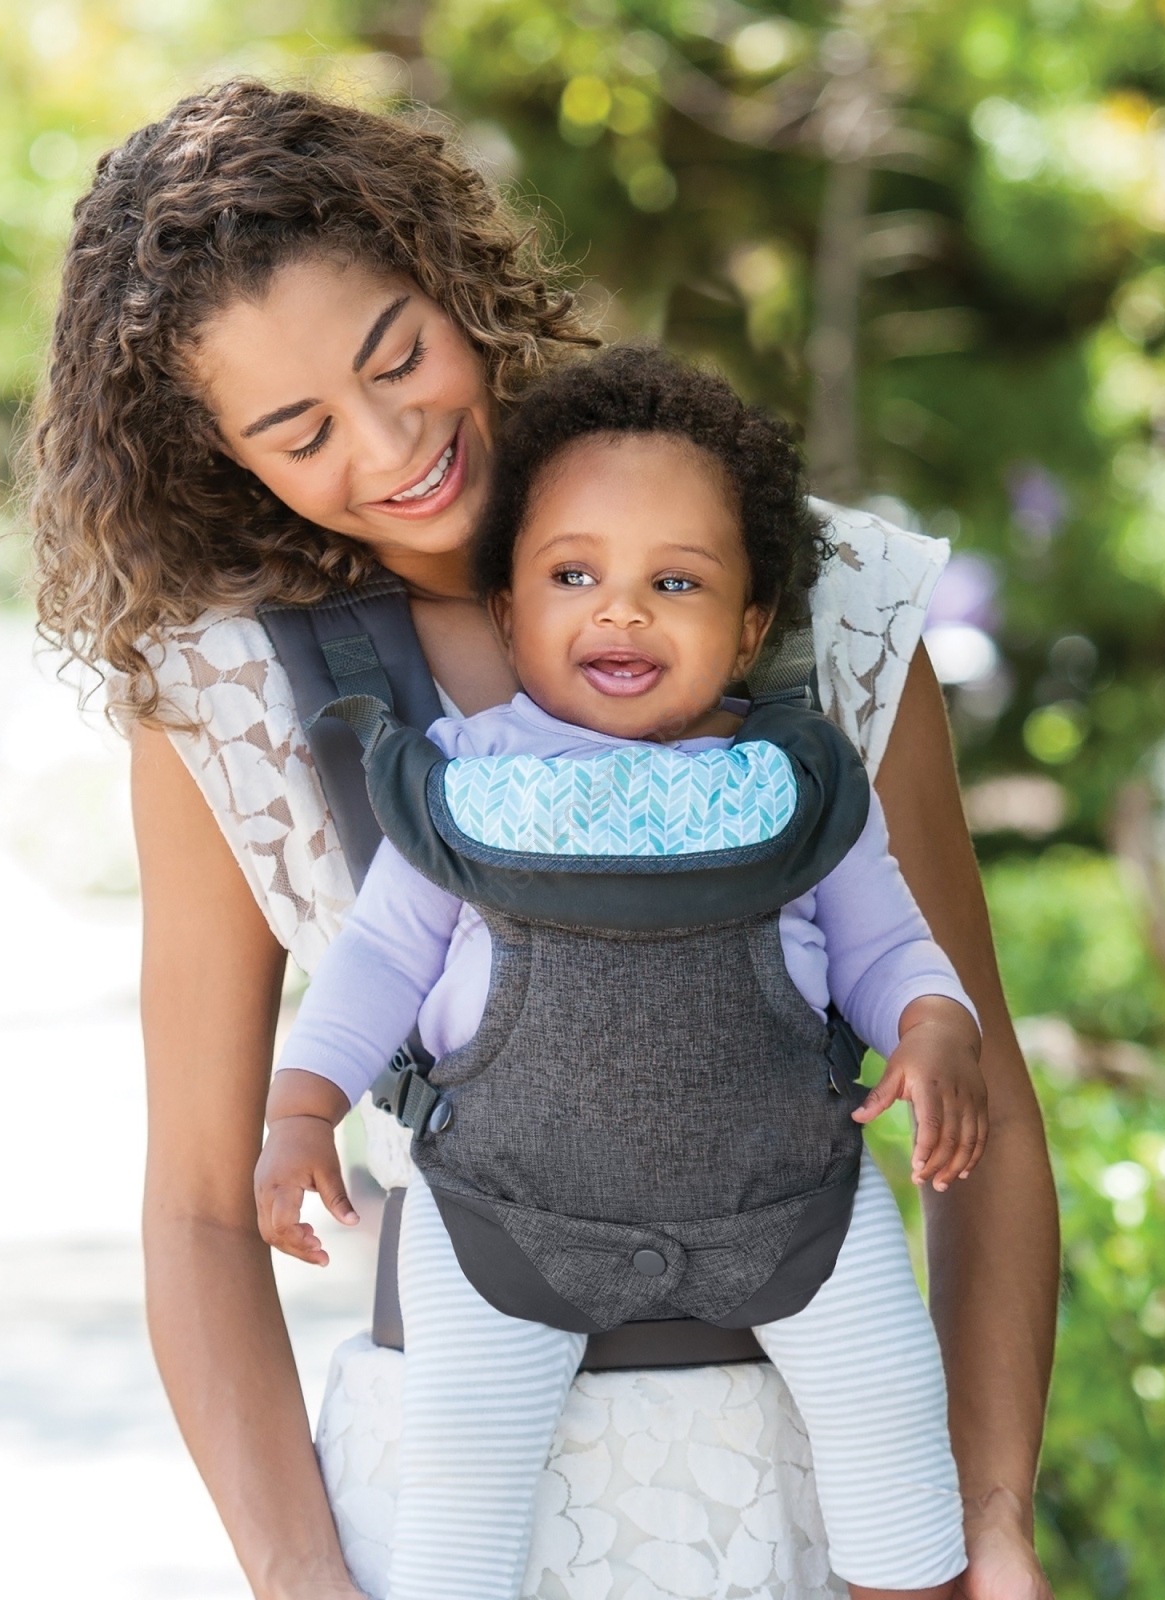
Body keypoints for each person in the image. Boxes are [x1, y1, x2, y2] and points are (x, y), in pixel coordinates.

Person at [28, 80, 1059, 1600]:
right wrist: (301, 1581)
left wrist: (990, 1523)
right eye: (301, 431)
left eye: (400, 356)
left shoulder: (823, 597)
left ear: (450, 272)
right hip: (451, 1503)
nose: (393, 443)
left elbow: (986, 1108)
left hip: (810, 1500)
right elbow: (196, 1204)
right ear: (218, 456)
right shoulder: (232, 699)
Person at [260, 346, 987, 1600]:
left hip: (789, 1203)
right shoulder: (463, 783)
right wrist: (298, 1106)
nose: (623, 611)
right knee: (459, 1484)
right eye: (573, 574)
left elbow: (883, 945)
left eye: (677, 581)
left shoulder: (796, 782)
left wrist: (933, 1024)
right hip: (503, 1213)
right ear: (508, 612)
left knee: (890, 1407)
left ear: (750, 624)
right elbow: (379, 957)